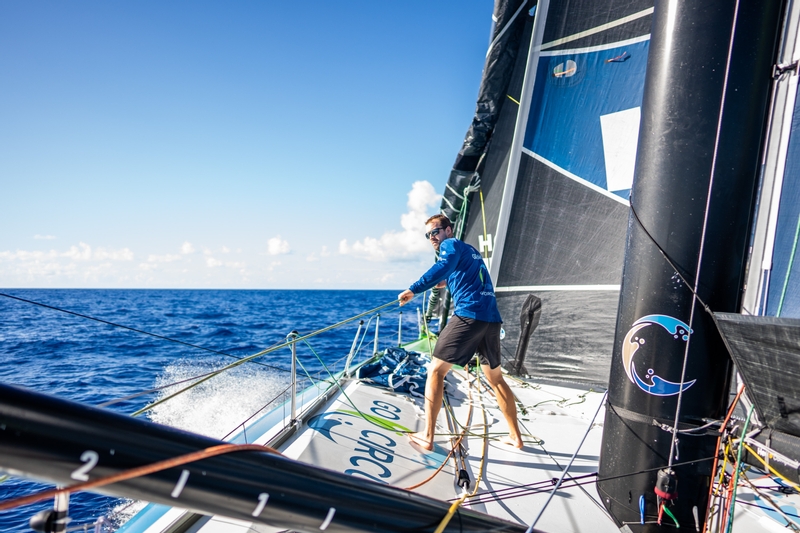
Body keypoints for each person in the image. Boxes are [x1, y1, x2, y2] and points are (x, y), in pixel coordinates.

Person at [398, 214, 523, 450]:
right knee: (496, 379)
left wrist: (413, 289)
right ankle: (516, 437)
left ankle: (427, 436)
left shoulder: (450, 244)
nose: (432, 238)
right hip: (491, 320)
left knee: (436, 370)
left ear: (448, 229)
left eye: (435, 231)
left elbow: (444, 265)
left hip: (469, 316)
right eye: (428, 235)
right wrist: (446, 282)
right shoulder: (470, 251)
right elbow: (466, 273)